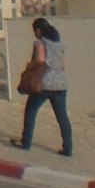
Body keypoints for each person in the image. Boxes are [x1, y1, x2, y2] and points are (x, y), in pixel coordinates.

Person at [12, 17, 73, 158]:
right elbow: (62, 64)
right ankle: (68, 147)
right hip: (60, 83)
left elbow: (39, 60)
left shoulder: (39, 43)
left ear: (38, 30)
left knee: (31, 111)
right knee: (62, 116)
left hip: (44, 83)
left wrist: (29, 66)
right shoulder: (59, 44)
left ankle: (26, 142)